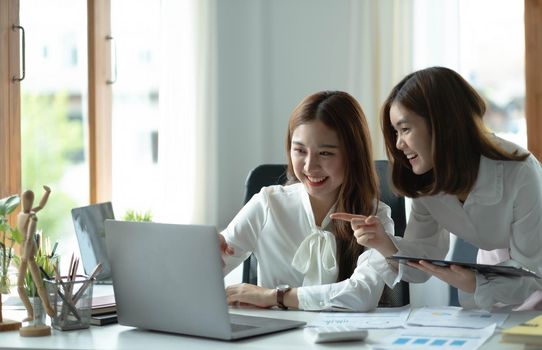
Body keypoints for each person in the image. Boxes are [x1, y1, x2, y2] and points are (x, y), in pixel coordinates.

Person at [332, 66, 542, 311]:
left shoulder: (519, 169)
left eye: (405, 129)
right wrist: (383, 243)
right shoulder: (426, 182)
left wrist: (475, 281)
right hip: (496, 280)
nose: (399, 144)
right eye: (395, 132)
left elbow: (532, 269)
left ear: (444, 124)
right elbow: (424, 256)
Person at [219, 90, 394, 311]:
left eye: (325, 153)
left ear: (353, 155)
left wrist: (276, 297)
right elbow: (211, 269)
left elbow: (362, 295)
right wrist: (206, 255)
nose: (310, 167)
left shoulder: (375, 218)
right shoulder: (268, 203)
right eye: (300, 150)